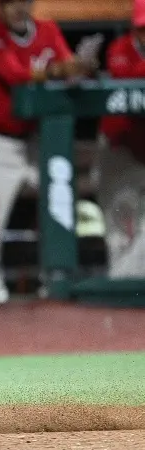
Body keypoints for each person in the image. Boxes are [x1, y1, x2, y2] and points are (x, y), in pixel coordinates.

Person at [0, 0, 102, 304]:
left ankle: (57, 289)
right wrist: (63, 69)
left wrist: (78, 68)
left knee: (61, 210)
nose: (16, 8)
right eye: (9, 2)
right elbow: (17, 75)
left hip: (37, 141)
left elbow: (68, 68)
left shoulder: (47, 31)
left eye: (21, 0)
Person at [93, 0, 145, 278]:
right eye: (142, 28)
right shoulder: (119, 50)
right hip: (119, 151)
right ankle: (121, 297)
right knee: (123, 229)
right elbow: (129, 78)